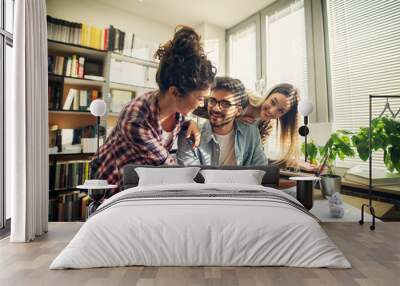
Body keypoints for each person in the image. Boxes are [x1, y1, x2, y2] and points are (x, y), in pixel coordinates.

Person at [91, 26, 217, 189]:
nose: (202, 104)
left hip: (140, 184)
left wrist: (188, 123)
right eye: (200, 98)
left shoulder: (172, 107)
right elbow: (169, 169)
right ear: (174, 92)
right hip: (113, 186)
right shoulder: (136, 119)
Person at [177, 77, 267, 166]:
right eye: (212, 101)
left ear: (238, 111)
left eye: (225, 104)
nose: (216, 108)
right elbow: (191, 176)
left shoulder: (251, 133)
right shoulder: (189, 135)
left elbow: (261, 169)